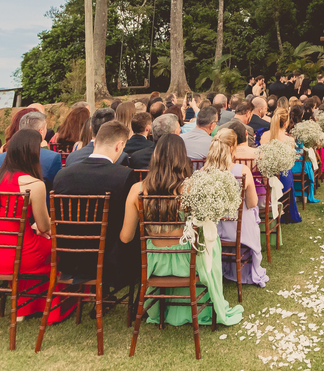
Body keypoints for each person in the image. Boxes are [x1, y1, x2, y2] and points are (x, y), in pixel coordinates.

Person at [119, 133, 243, 327]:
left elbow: (126, 237)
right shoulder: (192, 188)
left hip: (154, 263)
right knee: (212, 240)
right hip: (188, 262)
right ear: (182, 158)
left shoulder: (137, 190)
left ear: (155, 157)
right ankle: (207, 300)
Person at [0, 130, 73, 323]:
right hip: (20, 254)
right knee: (58, 248)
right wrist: (42, 228)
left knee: (36, 248)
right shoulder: (34, 184)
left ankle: (24, 307)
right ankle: (46, 307)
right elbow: (45, 226)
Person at [51, 120, 137, 288]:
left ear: (95, 142)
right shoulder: (124, 176)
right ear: (119, 146)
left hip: (68, 258)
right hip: (108, 261)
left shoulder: (62, 175)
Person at [206, 129, 269, 287]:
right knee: (250, 211)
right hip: (238, 230)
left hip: (212, 229)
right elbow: (252, 203)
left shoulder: (203, 171)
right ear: (233, 149)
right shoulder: (242, 171)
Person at [0, 110, 62, 185]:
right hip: (38, 192)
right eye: (45, 128)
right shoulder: (52, 158)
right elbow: (57, 186)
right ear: (41, 131)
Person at [259, 109, 302, 224]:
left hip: (265, 177)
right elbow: (291, 162)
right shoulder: (289, 140)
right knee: (288, 171)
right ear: (285, 123)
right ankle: (287, 211)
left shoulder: (264, 136)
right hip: (283, 179)